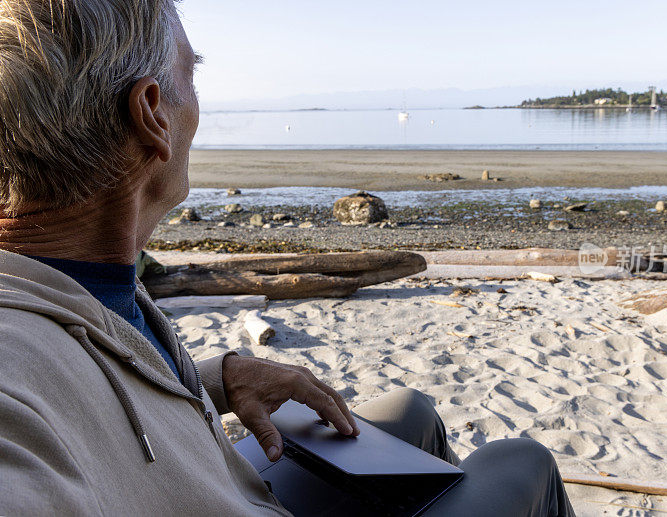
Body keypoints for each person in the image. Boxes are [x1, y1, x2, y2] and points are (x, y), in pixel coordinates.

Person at [0, 1, 575, 515]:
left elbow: (91, 386)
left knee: (410, 412)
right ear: (152, 113)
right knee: (521, 463)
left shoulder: (82, 276)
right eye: (190, 73)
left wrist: (212, 381)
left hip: (205, 476)